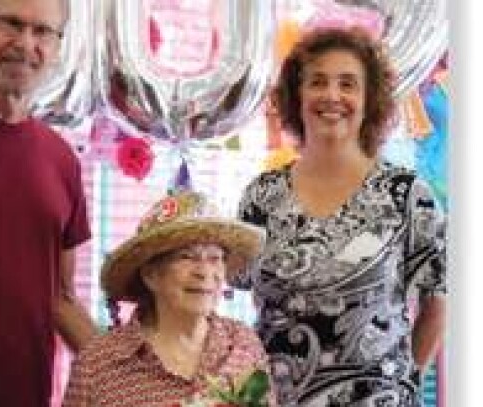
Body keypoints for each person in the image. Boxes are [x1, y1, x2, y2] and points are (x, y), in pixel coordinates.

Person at [232, 27, 446, 406]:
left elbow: (437, 306)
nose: (332, 95)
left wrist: (404, 384)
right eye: (317, 82)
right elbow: (246, 300)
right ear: (297, 96)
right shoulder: (261, 196)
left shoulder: (409, 195)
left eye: (348, 84)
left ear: (369, 100)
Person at [0, 0, 98, 405]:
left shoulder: (61, 161)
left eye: (42, 31)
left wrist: (132, 373)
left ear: (58, 47)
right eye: (11, 24)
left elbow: (60, 299)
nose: (25, 43)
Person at [63, 191, 276, 406]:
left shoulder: (244, 344)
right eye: (187, 257)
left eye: (215, 258)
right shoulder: (98, 364)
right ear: (150, 275)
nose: (204, 272)